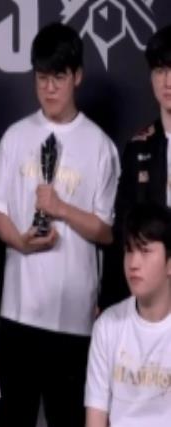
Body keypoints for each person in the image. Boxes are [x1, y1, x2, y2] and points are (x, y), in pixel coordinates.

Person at [0, 22, 120, 427]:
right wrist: (19, 242)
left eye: (58, 77)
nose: (49, 88)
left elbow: (106, 231)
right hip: (19, 312)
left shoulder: (100, 146)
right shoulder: (15, 137)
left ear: (77, 76)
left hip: (74, 318)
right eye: (42, 78)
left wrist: (61, 209)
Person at [85, 203, 171, 427]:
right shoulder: (108, 326)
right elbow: (95, 422)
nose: (133, 263)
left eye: (145, 251)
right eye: (129, 250)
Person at [101, 24, 171, 310]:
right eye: (160, 70)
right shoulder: (138, 147)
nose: (167, 81)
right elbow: (122, 229)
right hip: (149, 297)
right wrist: (107, 298)